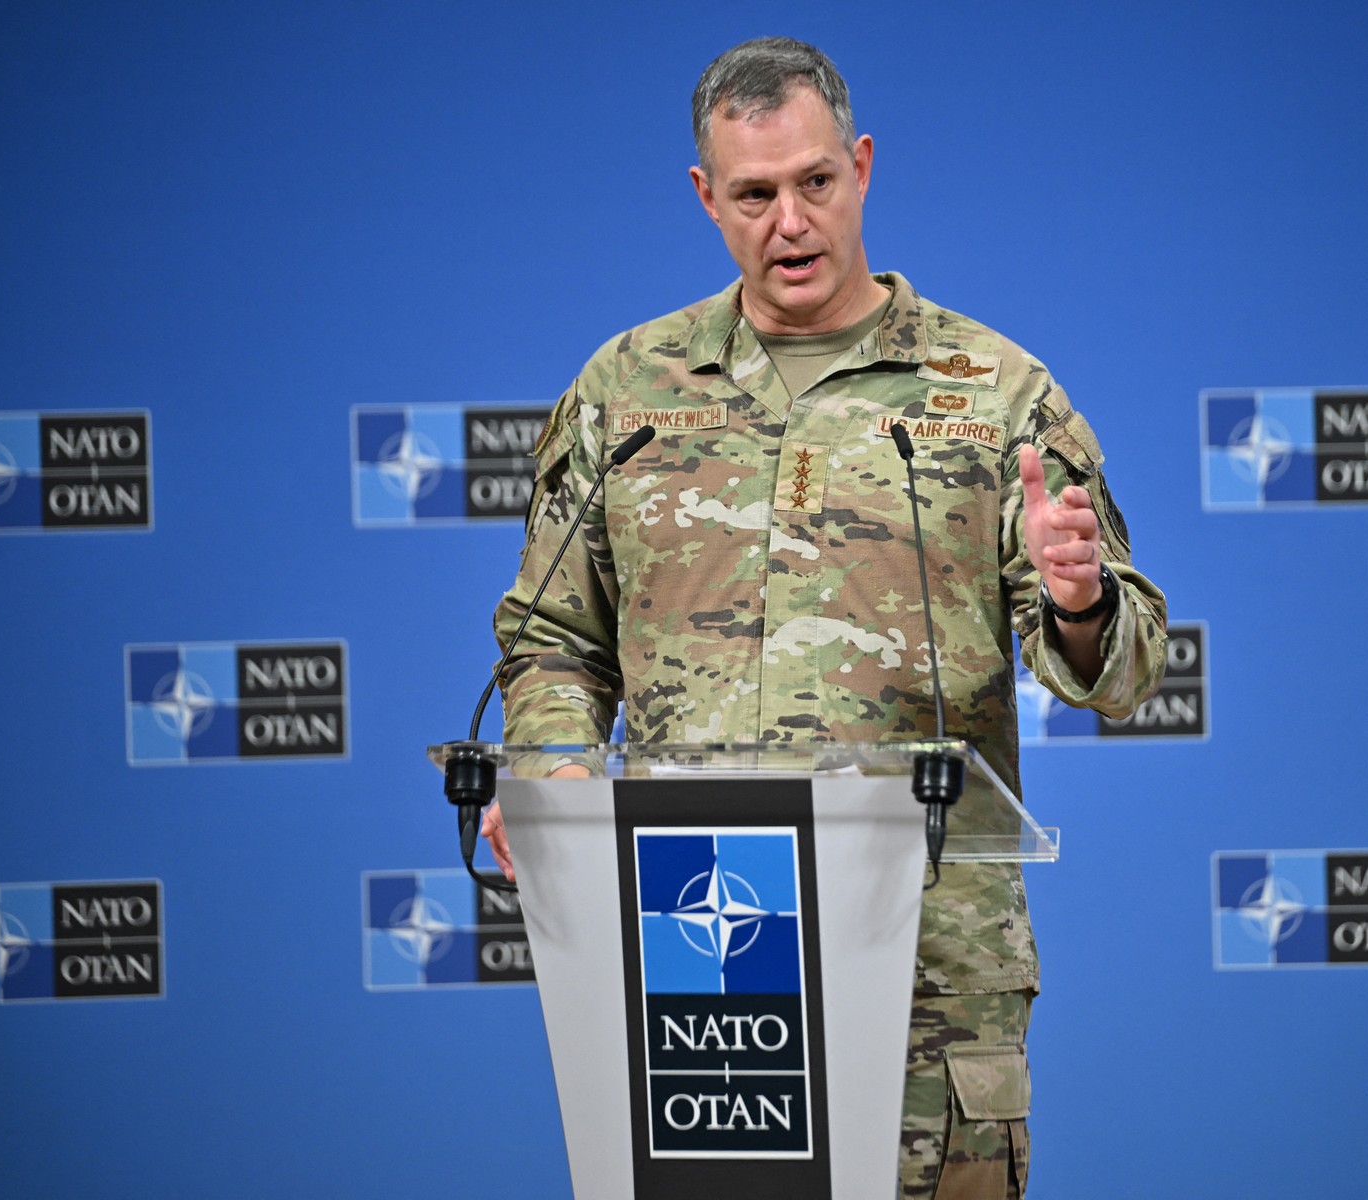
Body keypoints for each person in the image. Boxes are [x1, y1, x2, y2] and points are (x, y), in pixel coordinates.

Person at [481, 36, 1167, 1199]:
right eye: (754, 195)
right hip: (705, 950)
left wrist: (1082, 600)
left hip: (928, 969)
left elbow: (1128, 670)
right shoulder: (627, 390)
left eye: (815, 182)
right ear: (706, 196)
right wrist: (553, 776)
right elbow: (554, 640)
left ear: (862, 167)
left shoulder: (995, 391)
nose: (790, 224)